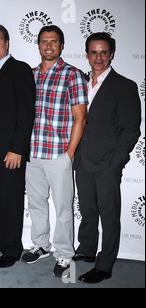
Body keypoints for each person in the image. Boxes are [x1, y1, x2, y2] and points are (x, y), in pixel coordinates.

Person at [73, 32, 141, 283]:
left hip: (107, 164)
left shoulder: (124, 86)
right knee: (87, 209)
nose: (98, 57)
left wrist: (116, 162)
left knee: (109, 214)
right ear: (87, 55)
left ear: (111, 54)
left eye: (103, 52)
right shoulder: (79, 82)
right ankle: (87, 249)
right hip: (82, 160)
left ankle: (105, 264)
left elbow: (131, 128)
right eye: (93, 52)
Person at [22, 25, 88, 278]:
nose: (48, 46)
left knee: (62, 208)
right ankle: (40, 244)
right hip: (32, 152)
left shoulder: (73, 75)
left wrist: (69, 154)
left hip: (59, 154)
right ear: (38, 45)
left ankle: (64, 254)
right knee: (36, 204)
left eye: (53, 41)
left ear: (61, 45)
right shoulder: (29, 74)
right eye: (44, 41)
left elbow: (80, 118)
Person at [0, 24, 35, 268]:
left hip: (11, 150)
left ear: (7, 43)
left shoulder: (19, 69)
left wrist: (18, 149)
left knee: (11, 199)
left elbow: (26, 113)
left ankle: (13, 248)